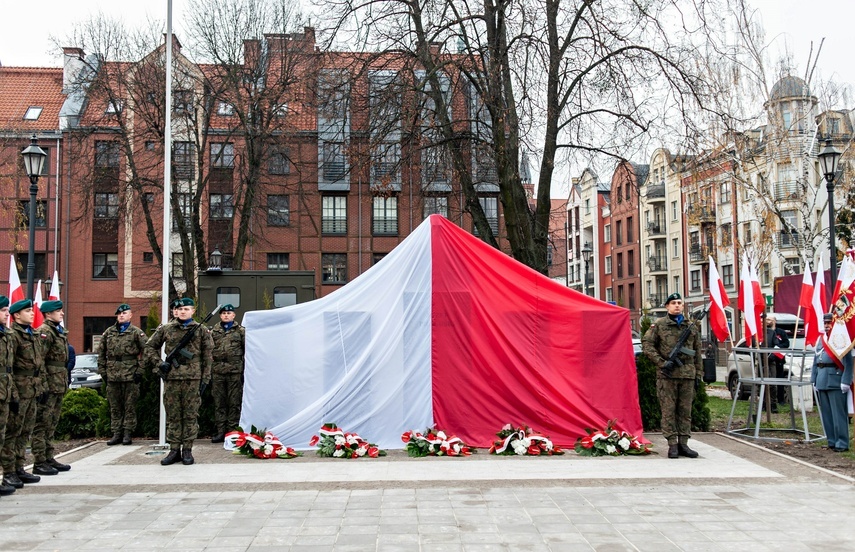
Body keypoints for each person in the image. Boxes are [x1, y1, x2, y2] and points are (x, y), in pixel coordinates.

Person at [146, 297, 213, 466]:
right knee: (174, 415)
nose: (183, 311)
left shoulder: (201, 330)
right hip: (173, 378)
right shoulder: (167, 328)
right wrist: (159, 364)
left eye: (187, 309)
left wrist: (206, 378)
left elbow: (208, 356)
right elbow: (149, 347)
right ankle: (174, 449)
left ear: (193, 311)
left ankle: (188, 450)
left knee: (190, 415)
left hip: (193, 378)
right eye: (180, 309)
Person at [642, 292, 703, 459]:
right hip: (667, 375)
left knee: (685, 411)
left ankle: (684, 443)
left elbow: (697, 351)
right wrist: (662, 363)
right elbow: (647, 345)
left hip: (687, 375)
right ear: (667, 306)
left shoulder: (691, 326)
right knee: (668, 410)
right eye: (673, 303)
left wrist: (698, 373)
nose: (677, 305)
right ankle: (672, 444)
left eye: (679, 303)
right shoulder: (660, 325)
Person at [0, 299, 45, 487]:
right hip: (16, 387)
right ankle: (9, 471)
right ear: (17, 316)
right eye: (3, 310)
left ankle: (18, 467)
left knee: (24, 430)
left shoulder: (17, 334)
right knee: (11, 432)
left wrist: (40, 387)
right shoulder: (13, 335)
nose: (33, 313)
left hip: (24, 388)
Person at [97, 304, 148, 446]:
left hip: (130, 374)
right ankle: (116, 433)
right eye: (119, 313)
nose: (121, 315)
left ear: (130, 315)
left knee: (129, 405)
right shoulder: (109, 332)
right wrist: (103, 372)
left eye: (124, 313)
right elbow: (101, 353)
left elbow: (147, 352)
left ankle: (127, 433)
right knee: (115, 406)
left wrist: (140, 371)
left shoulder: (136, 332)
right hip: (112, 374)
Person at [31, 300, 71, 475]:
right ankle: (39, 461)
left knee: (52, 422)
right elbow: (39, 362)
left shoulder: (57, 331)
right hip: (48, 386)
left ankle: (48, 456)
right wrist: (43, 386)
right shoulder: (44, 332)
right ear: (48, 314)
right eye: (58, 311)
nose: (61, 313)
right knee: (42, 423)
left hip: (58, 383)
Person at [812, 313, 853, 452]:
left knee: (838, 414)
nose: (827, 325)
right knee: (827, 415)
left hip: (836, 380)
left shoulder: (841, 339)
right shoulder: (821, 340)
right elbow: (815, 361)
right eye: (825, 323)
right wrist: (814, 380)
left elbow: (848, 362)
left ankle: (842, 443)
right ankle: (831, 441)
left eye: (829, 323)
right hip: (822, 379)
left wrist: (846, 381)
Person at [210, 304, 245, 443]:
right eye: (223, 313)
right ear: (220, 315)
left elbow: (246, 349)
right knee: (219, 402)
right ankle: (220, 431)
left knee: (234, 401)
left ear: (234, 315)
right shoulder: (214, 331)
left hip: (234, 370)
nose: (226, 315)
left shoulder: (241, 331)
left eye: (229, 313)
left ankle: (232, 431)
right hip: (218, 370)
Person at [0, 296, 19, 496]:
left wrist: (12, 394)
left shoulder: (5, 335)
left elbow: (9, 369)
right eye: (4, 310)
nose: (7, 314)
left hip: (4, 392)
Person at [765, 315, 790, 412]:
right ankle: (766, 402)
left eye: (770, 319)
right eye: (767, 319)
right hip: (768, 360)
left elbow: (786, 344)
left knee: (778, 380)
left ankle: (780, 400)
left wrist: (777, 348)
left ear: (775, 321)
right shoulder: (765, 332)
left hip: (778, 360)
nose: (768, 321)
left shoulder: (781, 332)